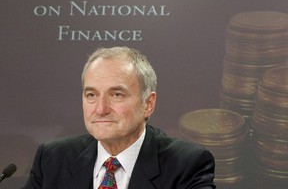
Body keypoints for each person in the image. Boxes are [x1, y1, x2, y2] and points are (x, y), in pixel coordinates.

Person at [22, 46, 216, 189]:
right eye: (91, 95)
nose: (101, 109)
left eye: (117, 95)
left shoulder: (186, 164)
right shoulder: (52, 158)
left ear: (148, 104)